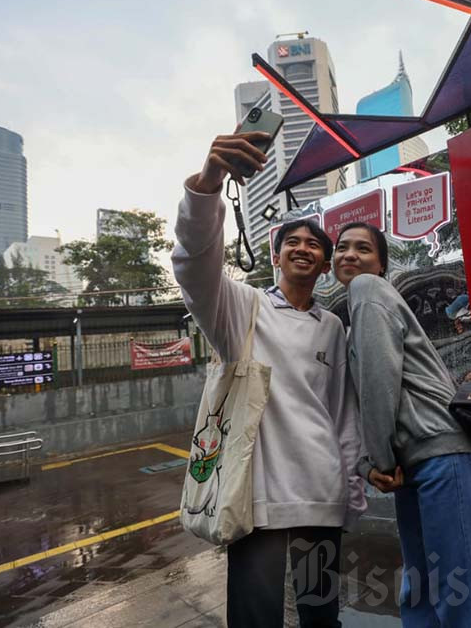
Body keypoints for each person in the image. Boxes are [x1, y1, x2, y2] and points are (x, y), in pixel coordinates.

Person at [172, 129, 365, 628]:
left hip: (322, 491)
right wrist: (209, 183)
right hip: (254, 497)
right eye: (292, 242)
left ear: (324, 265)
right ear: (276, 256)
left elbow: (341, 413)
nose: (303, 248)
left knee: (321, 617)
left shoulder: (333, 326)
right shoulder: (242, 307)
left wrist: (351, 482)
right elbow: (194, 266)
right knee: (255, 617)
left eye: (313, 245)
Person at [332, 221, 471, 628]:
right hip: (417, 459)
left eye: (363, 249)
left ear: (381, 265)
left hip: (439, 452)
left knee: (454, 592)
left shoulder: (368, 291)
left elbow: (379, 380)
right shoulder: (361, 307)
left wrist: (379, 462)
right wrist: (375, 462)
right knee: (420, 588)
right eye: (342, 247)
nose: (350, 254)